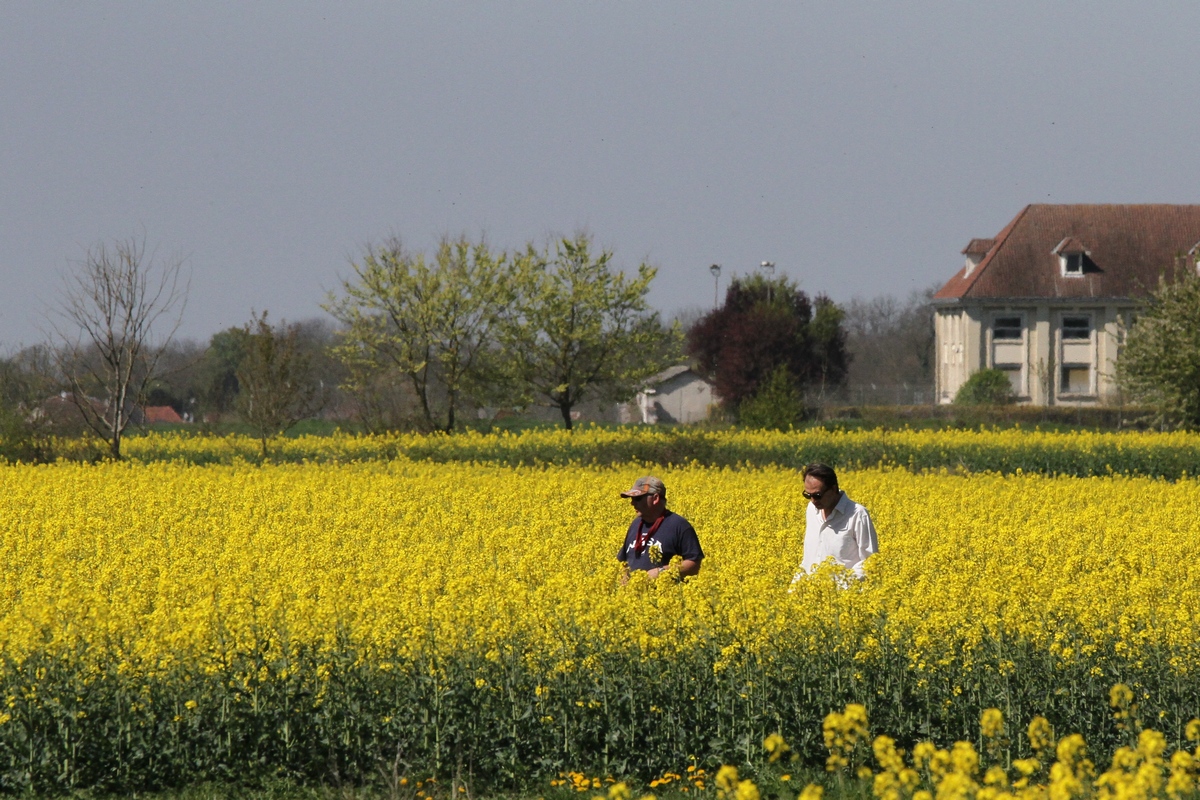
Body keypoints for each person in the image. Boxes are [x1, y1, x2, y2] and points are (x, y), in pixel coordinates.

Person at [792, 462, 878, 582]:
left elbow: (870, 562)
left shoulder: (857, 514)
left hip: (844, 596)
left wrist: (844, 585)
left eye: (817, 495)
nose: (813, 500)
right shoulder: (811, 509)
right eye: (808, 495)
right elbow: (809, 559)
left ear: (833, 489)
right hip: (809, 594)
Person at [617, 476, 703, 579]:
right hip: (634, 593)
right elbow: (623, 561)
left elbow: (695, 563)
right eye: (632, 499)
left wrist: (662, 572)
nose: (632, 503)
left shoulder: (679, 526)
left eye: (638, 498)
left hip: (667, 593)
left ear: (655, 498)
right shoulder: (635, 525)